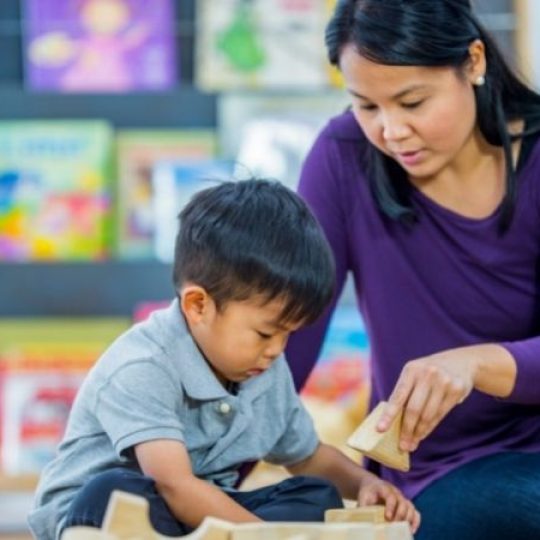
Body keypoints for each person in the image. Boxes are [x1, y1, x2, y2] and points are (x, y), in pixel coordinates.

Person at [28, 179, 419, 540]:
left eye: (289, 334)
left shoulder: (264, 369)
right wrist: (262, 535)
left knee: (315, 496)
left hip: (201, 517)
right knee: (113, 492)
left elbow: (308, 456)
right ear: (198, 305)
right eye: (266, 333)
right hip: (108, 515)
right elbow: (173, 485)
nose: (277, 349)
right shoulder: (144, 365)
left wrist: (366, 484)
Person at [285, 1, 540, 539]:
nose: (391, 131)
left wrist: (475, 364)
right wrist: (193, 483)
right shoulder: (342, 156)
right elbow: (284, 343)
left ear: (472, 62)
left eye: (412, 102)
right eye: (366, 106)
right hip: (444, 473)